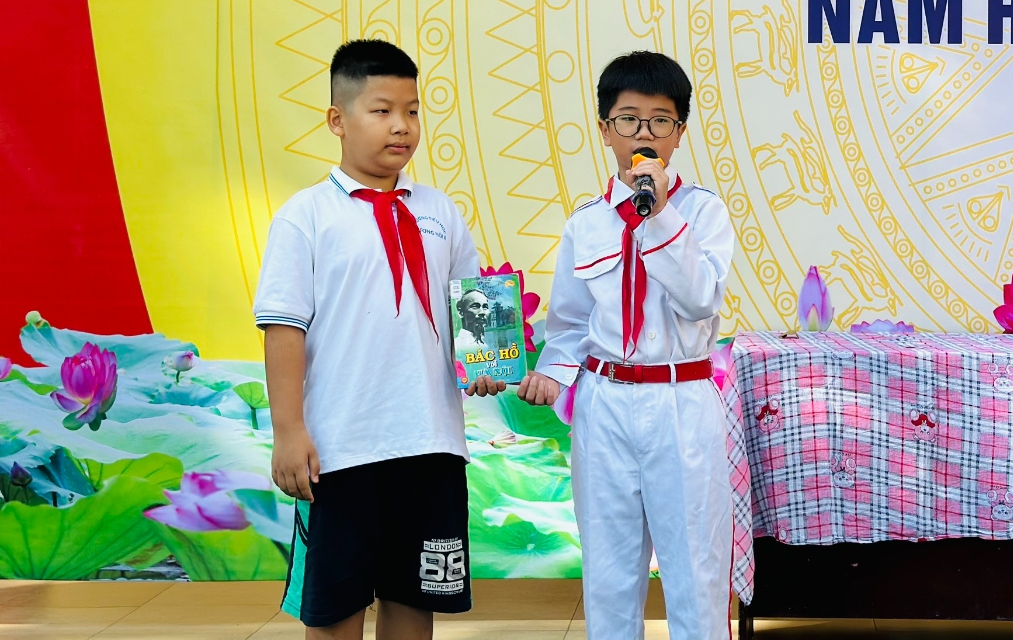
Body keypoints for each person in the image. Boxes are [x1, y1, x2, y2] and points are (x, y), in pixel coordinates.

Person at [254, 39, 503, 640]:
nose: (401, 126)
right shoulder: (306, 216)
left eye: (412, 111)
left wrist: (486, 363)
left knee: (414, 601)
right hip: (340, 451)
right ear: (337, 120)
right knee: (335, 608)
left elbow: (472, 311)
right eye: (382, 110)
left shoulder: (442, 211)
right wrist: (289, 432)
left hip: (431, 445)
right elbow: (283, 328)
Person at [518, 51, 735, 640]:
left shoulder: (703, 213)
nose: (644, 133)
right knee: (609, 574)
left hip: (681, 400)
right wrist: (553, 374)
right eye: (629, 119)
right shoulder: (586, 222)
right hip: (605, 403)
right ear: (605, 128)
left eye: (660, 120)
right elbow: (569, 322)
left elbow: (700, 299)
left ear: (679, 133)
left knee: (696, 570)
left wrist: (658, 214)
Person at [453, 289, 491, 355]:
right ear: (461, 312)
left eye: (485, 307)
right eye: (475, 307)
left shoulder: (485, 346)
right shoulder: (457, 347)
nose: (482, 312)